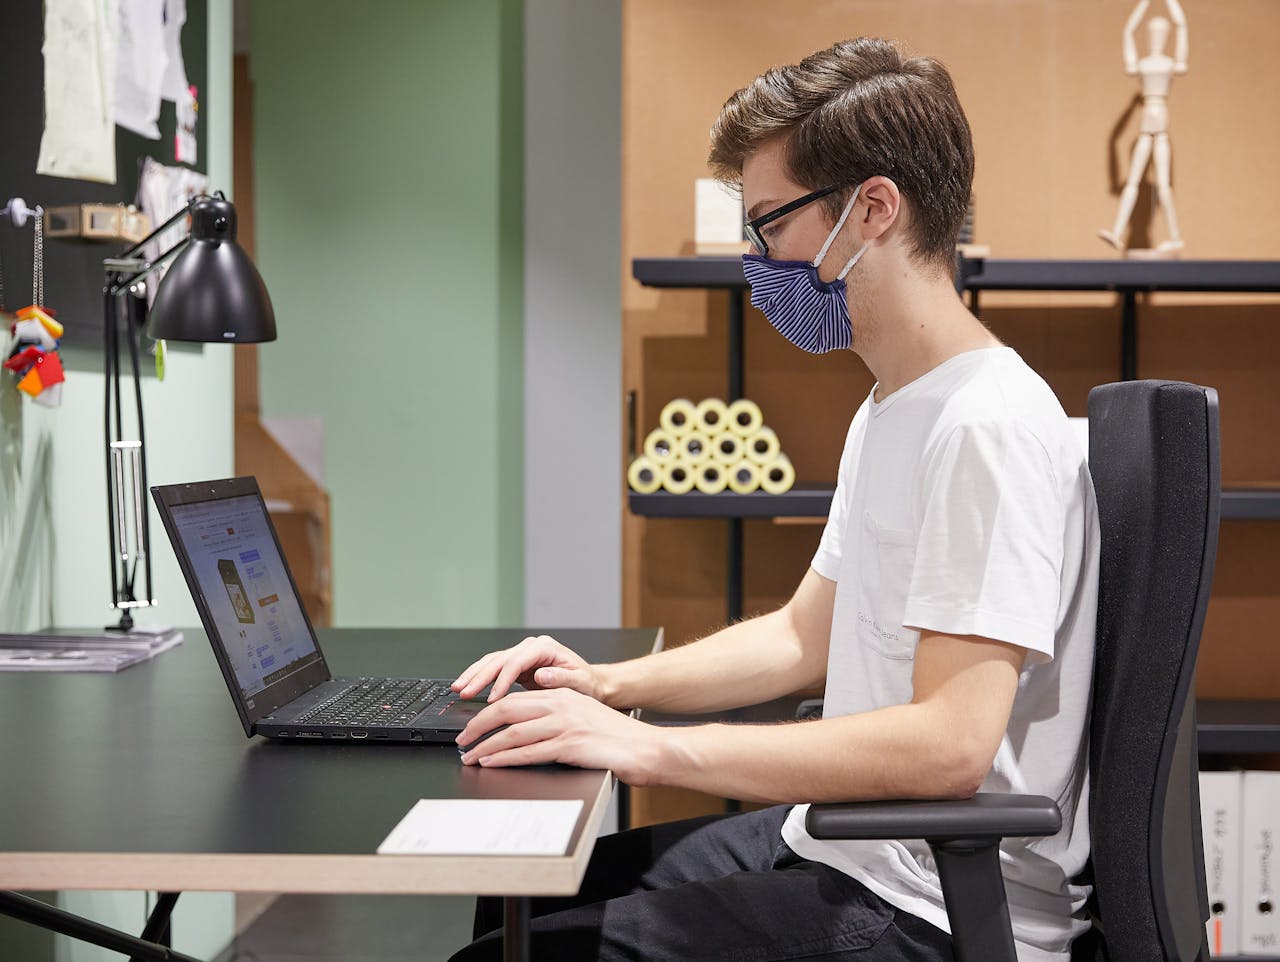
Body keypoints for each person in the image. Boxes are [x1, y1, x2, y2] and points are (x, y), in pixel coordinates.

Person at [447, 36, 1099, 962]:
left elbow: (951, 747)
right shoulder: (894, 405)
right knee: (514, 894)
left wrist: (649, 750)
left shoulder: (985, 427)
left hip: (933, 907)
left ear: (873, 208)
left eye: (770, 225)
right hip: (845, 845)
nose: (759, 259)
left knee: (506, 955)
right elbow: (804, 637)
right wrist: (605, 686)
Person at [1098, 0, 1189, 253]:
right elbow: (1128, 31)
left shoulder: (1169, 64)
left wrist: (1168, 2)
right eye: (1152, 33)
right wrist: (1145, 4)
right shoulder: (1145, 64)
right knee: (1133, 181)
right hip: (1147, 121)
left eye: (1160, 33)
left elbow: (1181, 25)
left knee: (1162, 185)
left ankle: (1174, 237)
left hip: (1158, 120)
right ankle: (1117, 233)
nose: (1156, 37)